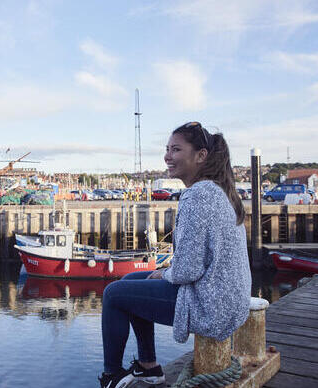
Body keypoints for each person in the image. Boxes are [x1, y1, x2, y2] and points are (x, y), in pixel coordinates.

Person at [98, 122, 251, 388]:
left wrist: (165, 273)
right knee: (131, 283)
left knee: (113, 294)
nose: (168, 156)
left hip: (212, 306)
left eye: (176, 149)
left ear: (200, 156)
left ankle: (111, 375)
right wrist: (164, 273)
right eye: (167, 149)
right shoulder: (217, 190)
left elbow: (187, 270)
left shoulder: (198, 195)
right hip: (227, 299)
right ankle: (149, 367)